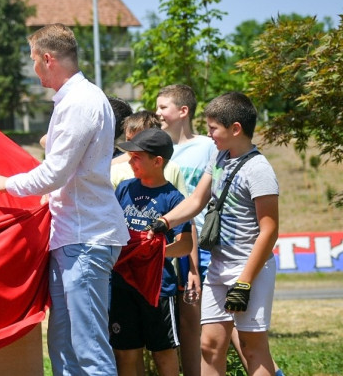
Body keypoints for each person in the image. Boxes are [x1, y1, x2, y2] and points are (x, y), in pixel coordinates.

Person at [0, 23, 129, 376]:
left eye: (33, 60)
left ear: (48, 59)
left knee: (88, 350)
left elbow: (55, 173)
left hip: (86, 239)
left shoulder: (80, 103)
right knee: (64, 347)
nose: (32, 69)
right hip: (73, 236)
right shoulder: (78, 99)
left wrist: (5, 183)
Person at [149, 92, 280, 376]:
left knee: (251, 346)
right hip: (219, 268)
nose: (209, 135)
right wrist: (164, 222)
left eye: (213, 129)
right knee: (209, 345)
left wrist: (245, 282)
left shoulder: (259, 169)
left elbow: (269, 231)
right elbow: (196, 201)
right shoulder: (219, 157)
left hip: (249, 270)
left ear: (235, 129)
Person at [110, 128, 192, 376]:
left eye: (137, 157)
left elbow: (186, 245)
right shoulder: (124, 188)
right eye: (130, 156)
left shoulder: (174, 198)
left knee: (163, 352)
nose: (131, 161)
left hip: (158, 288)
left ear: (157, 162)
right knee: (126, 352)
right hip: (122, 286)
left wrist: (154, 253)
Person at [156, 84, 215, 376]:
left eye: (163, 107)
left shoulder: (208, 147)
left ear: (183, 111)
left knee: (214, 324)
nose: (158, 113)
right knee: (185, 324)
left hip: (204, 245)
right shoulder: (157, 149)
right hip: (173, 246)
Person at [111, 111, 189, 197]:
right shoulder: (115, 171)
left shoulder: (172, 168)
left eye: (139, 141)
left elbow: (183, 206)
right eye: (129, 140)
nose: (132, 147)